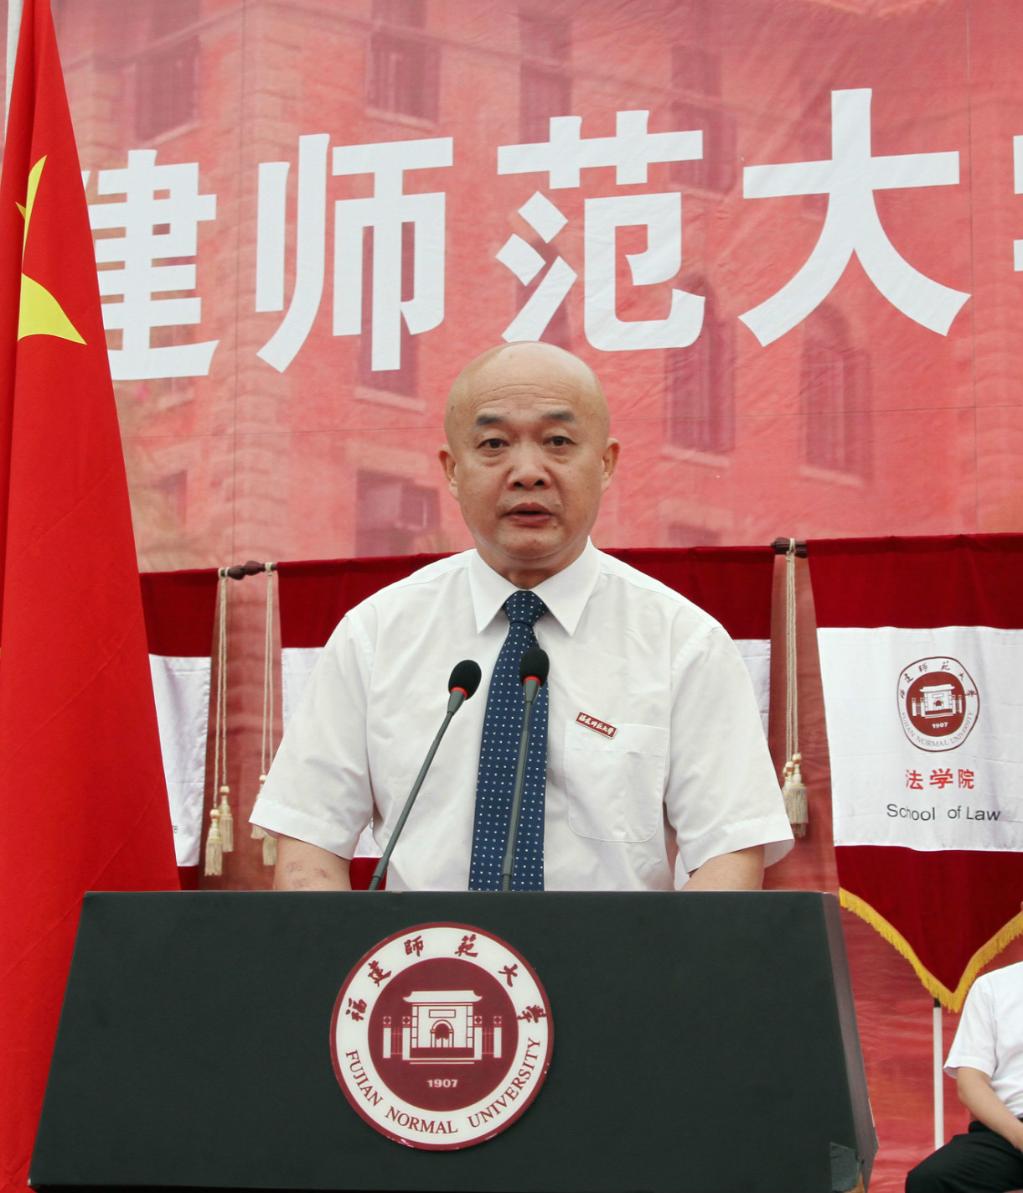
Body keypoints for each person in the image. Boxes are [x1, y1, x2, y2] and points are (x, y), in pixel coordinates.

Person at [251, 341, 792, 891]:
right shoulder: (375, 634)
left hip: (615, 951)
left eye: (558, 442)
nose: (528, 472)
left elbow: (728, 855)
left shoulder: (684, 642)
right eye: (494, 444)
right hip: (428, 948)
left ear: (605, 463)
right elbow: (308, 847)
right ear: (452, 470)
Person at [906, 959, 1023, 1193]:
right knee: (931, 1179)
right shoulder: (992, 987)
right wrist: (1020, 1137)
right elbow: (971, 1084)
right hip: (1010, 1131)